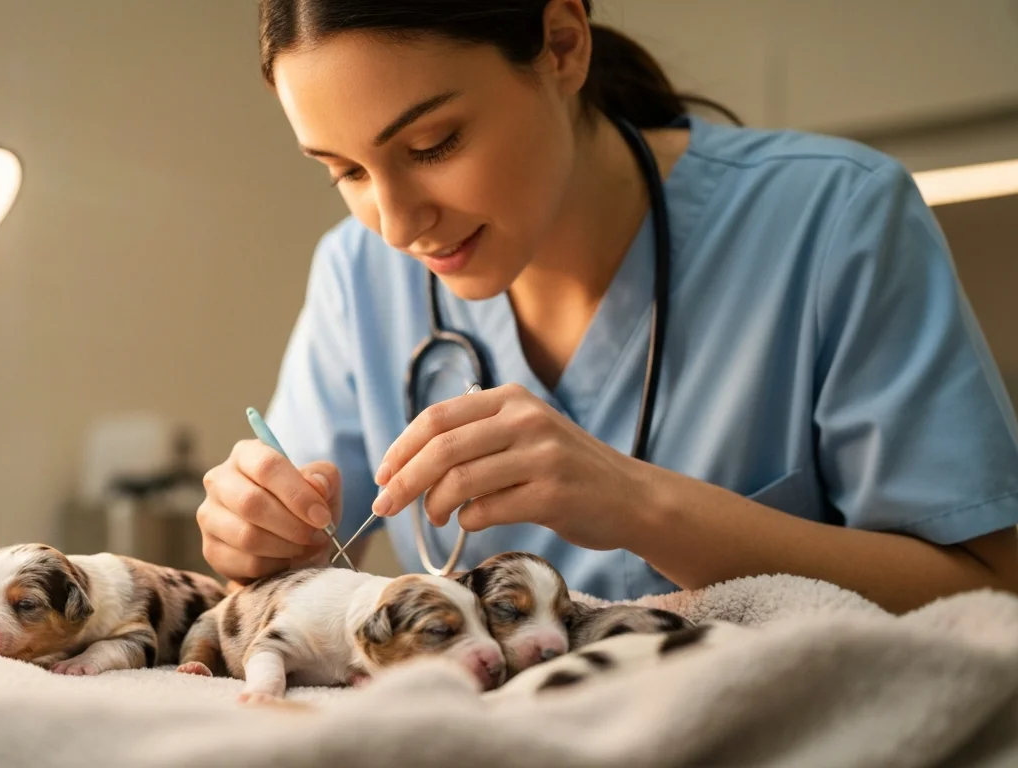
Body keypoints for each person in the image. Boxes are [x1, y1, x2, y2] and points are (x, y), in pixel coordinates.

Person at [195, 0, 1018, 613]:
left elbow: (992, 590)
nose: (398, 225)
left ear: (562, 45)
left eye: (432, 145)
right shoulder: (358, 276)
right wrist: (255, 542)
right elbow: (287, 575)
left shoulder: (835, 218)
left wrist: (639, 505)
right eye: (344, 172)